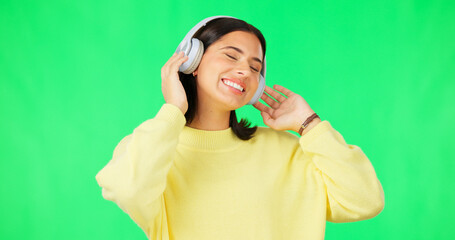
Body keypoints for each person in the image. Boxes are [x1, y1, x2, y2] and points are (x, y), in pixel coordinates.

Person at [95, 16, 385, 240]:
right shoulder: (152, 149)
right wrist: (173, 110)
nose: (245, 71)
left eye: (255, 67)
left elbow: (365, 200)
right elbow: (128, 189)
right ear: (192, 60)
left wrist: (309, 125)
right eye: (231, 56)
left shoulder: (287, 151)